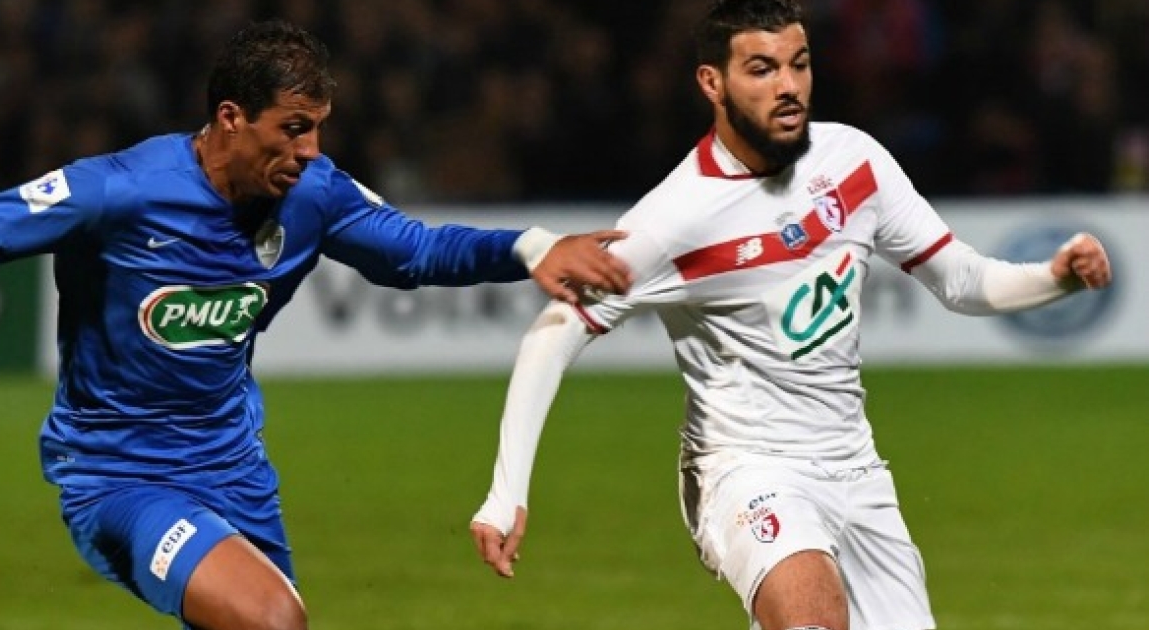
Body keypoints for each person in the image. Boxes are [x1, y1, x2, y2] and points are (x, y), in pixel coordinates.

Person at [0, 19, 632, 630]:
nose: (310, 150)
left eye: (318, 127)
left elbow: (416, 251)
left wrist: (531, 247)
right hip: (121, 477)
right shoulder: (120, 191)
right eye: (294, 127)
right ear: (231, 118)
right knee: (271, 619)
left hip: (235, 470)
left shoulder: (314, 194)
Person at [468, 2, 1113, 630]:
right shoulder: (674, 220)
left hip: (856, 467)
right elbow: (552, 335)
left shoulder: (853, 161)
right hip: (745, 467)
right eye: (762, 69)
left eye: (798, 64)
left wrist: (1053, 277)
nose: (788, 86)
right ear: (712, 83)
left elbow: (962, 280)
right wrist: (506, 492)